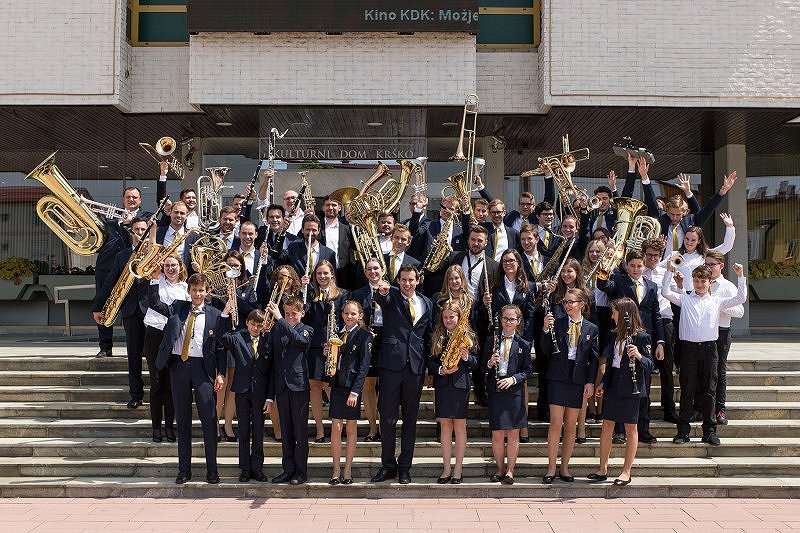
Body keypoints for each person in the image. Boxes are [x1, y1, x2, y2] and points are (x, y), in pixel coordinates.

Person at [661, 262, 747, 446]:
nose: (699, 284)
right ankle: (683, 432)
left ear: (710, 282)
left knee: (709, 391)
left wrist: (740, 276)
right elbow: (665, 292)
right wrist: (669, 271)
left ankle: (709, 431)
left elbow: (740, 298)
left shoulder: (716, 300)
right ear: (693, 282)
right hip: (688, 349)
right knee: (687, 390)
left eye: (703, 281)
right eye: (696, 281)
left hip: (709, 349)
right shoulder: (685, 298)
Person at [154, 273, 227, 484]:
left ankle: (212, 470)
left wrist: (220, 373)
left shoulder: (215, 314)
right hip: (179, 365)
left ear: (207, 292)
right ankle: (184, 470)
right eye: (194, 290)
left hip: (203, 369)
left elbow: (221, 347)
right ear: (189, 291)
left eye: (201, 290)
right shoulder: (177, 308)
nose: (197, 294)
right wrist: (151, 281)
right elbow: (155, 302)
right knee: (183, 420)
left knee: (209, 420)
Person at [370, 265, 433, 484]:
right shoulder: (392, 297)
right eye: (403, 280)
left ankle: (405, 467)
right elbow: (381, 297)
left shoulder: (427, 303)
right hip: (390, 367)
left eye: (411, 280)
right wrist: (383, 291)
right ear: (398, 280)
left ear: (418, 280)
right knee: (387, 419)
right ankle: (388, 465)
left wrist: (429, 368)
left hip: (415, 368)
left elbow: (427, 337)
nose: (407, 284)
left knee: (410, 421)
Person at [597, 250, 665, 444]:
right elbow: (603, 285)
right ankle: (619, 430)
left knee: (643, 387)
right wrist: (606, 261)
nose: (636, 269)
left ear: (644, 267)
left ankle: (643, 428)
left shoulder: (651, 286)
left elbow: (656, 315)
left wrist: (660, 342)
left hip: (644, 340)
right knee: (620, 385)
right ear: (627, 266)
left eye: (639, 266)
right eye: (632, 265)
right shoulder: (619, 280)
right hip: (622, 338)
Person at [591, 297, 654, 486]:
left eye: (614, 312)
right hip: (613, 384)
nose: (612, 316)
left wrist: (639, 355)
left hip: (631, 387)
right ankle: (602, 469)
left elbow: (650, 365)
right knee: (607, 426)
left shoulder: (642, 337)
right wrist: (602, 383)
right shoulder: (614, 335)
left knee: (630, 429)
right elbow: (611, 363)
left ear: (625, 314)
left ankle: (626, 471)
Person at [540, 288, 599, 484]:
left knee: (571, 426)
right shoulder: (557, 323)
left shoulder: (591, 328)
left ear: (581, 304)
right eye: (565, 302)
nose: (566, 305)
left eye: (571, 302)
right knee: (556, 423)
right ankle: (550, 467)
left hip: (577, 379)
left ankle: (564, 467)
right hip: (558, 377)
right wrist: (545, 330)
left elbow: (594, 358)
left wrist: (590, 381)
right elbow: (545, 349)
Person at [92, 217, 151, 409]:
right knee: (133, 356)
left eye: (144, 230)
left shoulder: (156, 254)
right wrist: (97, 306)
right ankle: (136, 394)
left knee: (155, 356)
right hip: (131, 311)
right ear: (131, 232)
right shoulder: (122, 256)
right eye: (137, 230)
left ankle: (159, 396)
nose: (140, 233)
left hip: (153, 312)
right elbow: (109, 282)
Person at [93, 186, 150, 359]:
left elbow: (137, 242)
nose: (131, 200)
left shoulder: (146, 217)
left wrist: (127, 225)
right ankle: (105, 346)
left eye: (135, 197)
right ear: (123, 199)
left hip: (129, 268)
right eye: (128, 197)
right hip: (106, 265)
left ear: (140, 200)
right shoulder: (109, 219)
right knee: (104, 304)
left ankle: (138, 348)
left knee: (134, 308)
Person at [262, 296, 313, 485]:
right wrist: (266, 334)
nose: (290, 317)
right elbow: (271, 360)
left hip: (298, 386)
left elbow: (299, 340)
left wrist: (280, 320)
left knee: (300, 431)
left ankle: (301, 471)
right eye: (287, 314)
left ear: (302, 314)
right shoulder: (277, 329)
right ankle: (288, 469)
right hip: (281, 386)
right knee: (286, 430)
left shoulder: (307, 330)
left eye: (294, 314)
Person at [216, 307, 270, 483]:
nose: (255, 328)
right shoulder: (238, 337)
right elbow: (221, 336)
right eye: (253, 324)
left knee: (258, 432)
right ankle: (245, 468)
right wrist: (224, 315)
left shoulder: (267, 339)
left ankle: (257, 468)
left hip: (260, 392)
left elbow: (271, 368)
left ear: (263, 326)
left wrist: (270, 396)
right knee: (244, 431)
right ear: (247, 323)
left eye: (259, 325)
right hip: (242, 391)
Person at [427, 300, 478, 484]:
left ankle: (458, 469)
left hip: (460, 386)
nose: (449, 320)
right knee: (445, 428)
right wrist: (441, 369)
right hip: (442, 385)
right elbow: (430, 361)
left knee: (460, 427)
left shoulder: (468, 336)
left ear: (459, 318)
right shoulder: (437, 336)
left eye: (452, 316)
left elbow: (476, 362)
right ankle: (446, 468)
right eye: (446, 317)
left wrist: (466, 356)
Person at [325, 300, 372, 485]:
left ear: (360, 315)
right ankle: (336, 469)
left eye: (353, 314)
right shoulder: (337, 333)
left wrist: (355, 391)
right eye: (346, 313)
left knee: (351, 428)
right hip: (336, 385)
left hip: (352, 387)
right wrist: (327, 351)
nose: (349, 316)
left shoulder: (364, 335)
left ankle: (348, 469)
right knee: (336, 428)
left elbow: (363, 367)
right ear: (342, 315)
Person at [143, 252, 189, 443]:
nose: (170, 269)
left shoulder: (186, 288)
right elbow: (154, 303)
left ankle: (169, 427)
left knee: (171, 385)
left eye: (174, 265)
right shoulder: (156, 282)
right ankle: (156, 428)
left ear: (180, 267)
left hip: (174, 338)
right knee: (156, 384)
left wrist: (174, 313)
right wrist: (173, 312)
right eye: (167, 265)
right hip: (155, 336)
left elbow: (184, 312)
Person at [485, 304, 532, 485]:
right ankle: (499, 469)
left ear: (518, 321)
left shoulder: (523, 344)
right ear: (500, 319)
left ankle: (511, 471)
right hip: (497, 390)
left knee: (513, 434)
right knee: (497, 434)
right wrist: (490, 363)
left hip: (514, 391)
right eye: (505, 318)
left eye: (512, 319)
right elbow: (481, 367)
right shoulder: (492, 341)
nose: (508, 322)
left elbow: (528, 371)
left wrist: (513, 379)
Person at [303, 259, 347, 442]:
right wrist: (303, 291)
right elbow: (304, 316)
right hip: (314, 347)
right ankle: (320, 430)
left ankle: (338, 427)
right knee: (314, 387)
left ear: (332, 275)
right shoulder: (310, 294)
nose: (322, 276)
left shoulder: (342, 295)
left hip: (333, 347)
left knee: (332, 387)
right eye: (318, 273)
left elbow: (345, 321)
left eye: (325, 273)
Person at [640, 238, 679, 424]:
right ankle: (643, 409)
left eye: (656, 255)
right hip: (645, 322)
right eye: (649, 255)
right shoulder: (639, 272)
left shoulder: (666, 271)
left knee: (666, 367)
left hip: (664, 320)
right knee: (645, 366)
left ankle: (669, 408)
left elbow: (677, 294)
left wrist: (679, 284)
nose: (653, 258)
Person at [705, 250, 745, 426]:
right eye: (706, 264)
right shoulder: (701, 282)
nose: (709, 267)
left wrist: (718, 304)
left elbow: (740, 312)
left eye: (712, 264)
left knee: (719, 372)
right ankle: (701, 408)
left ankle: (719, 409)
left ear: (721, 266)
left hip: (721, 332)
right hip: (704, 332)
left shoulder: (727, 286)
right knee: (703, 372)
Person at [348, 257, 385, 441]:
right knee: (368, 385)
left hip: (386, 340)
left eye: (376, 268)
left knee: (385, 386)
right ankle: (372, 428)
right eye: (369, 269)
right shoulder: (358, 294)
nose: (373, 272)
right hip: (366, 339)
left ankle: (384, 426)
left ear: (382, 270)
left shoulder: (391, 291)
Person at [583, 239, 609, 425]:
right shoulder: (583, 271)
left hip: (606, 317)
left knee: (602, 366)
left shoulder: (610, 270)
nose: (594, 254)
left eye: (598, 252)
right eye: (591, 251)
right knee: (589, 365)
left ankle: (601, 409)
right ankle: (591, 409)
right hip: (589, 316)